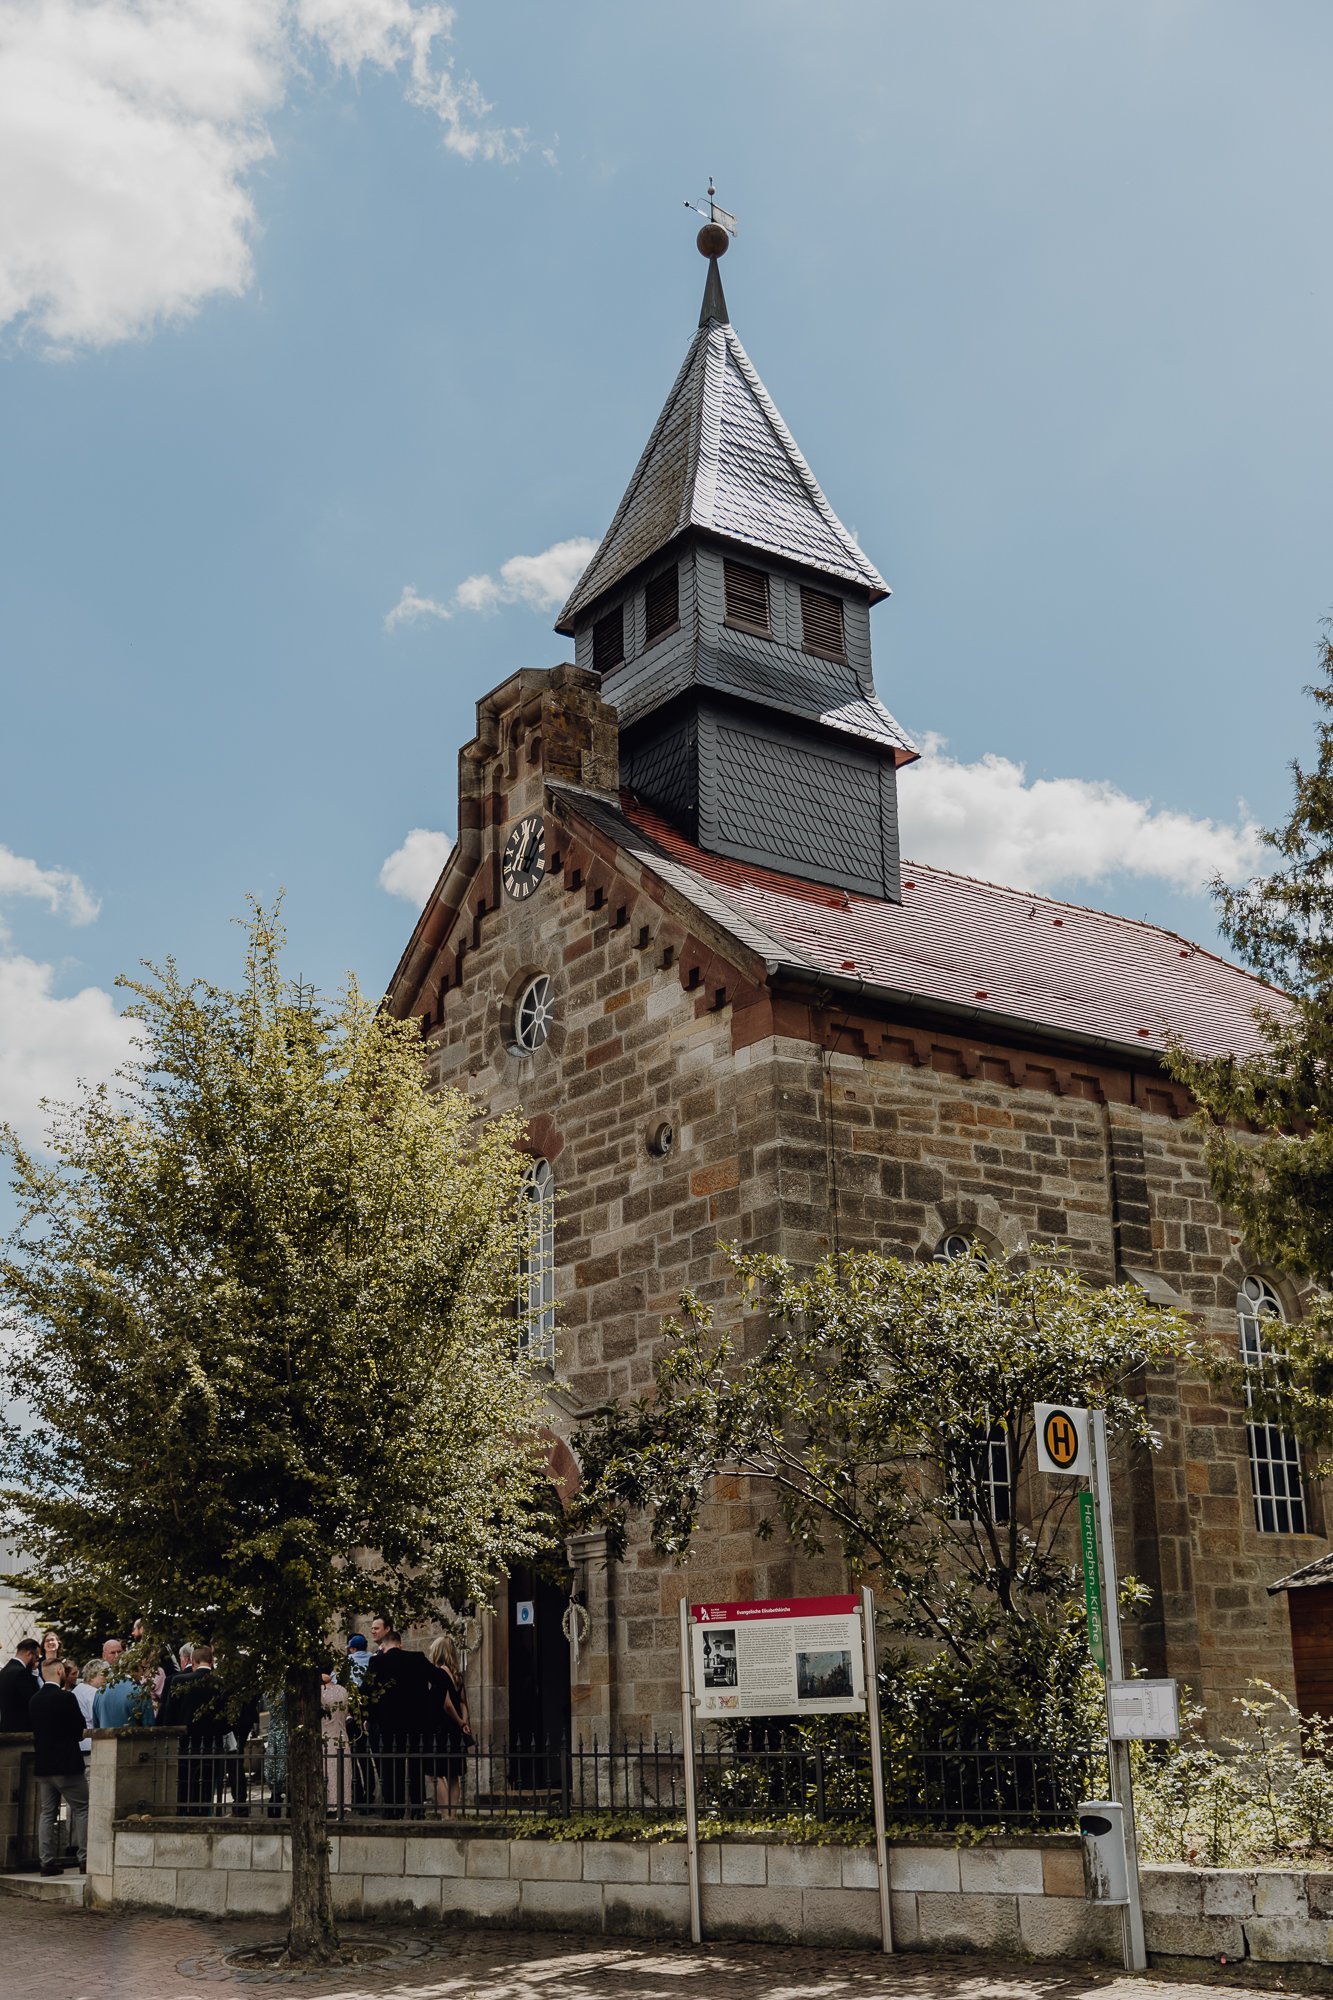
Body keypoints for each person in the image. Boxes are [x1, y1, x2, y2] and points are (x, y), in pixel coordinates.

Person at [362, 1630, 445, 1818]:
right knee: (416, 1766)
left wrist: (373, 1715)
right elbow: (442, 1680)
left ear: (383, 1646)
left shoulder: (378, 1661)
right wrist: (430, 1706)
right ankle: (417, 1810)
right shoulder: (417, 1658)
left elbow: (365, 1691)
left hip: (389, 1723)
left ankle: (394, 1810)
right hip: (417, 1721)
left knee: (392, 1767)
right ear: (400, 1643)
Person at [29, 1662, 88, 1875]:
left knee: (47, 1813)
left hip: (44, 1764)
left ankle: (46, 1862)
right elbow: (79, 1729)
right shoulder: (66, 1698)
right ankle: (85, 1858)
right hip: (67, 1764)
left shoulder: (34, 1700)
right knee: (82, 1809)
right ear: (60, 1672)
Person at [159, 1644, 228, 1814]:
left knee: (185, 1781)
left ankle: (185, 1811)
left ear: (193, 1661)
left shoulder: (179, 1681)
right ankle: (205, 1811)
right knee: (207, 1782)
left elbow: (169, 1715)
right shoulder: (221, 1683)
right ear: (211, 1661)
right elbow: (227, 1718)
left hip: (186, 1740)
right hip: (212, 1741)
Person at [427, 1634, 471, 1812]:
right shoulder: (457, 1674)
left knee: (435, 1774)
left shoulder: (439, 1673)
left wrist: (460, 1721)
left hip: (442, 1726)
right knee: (453, 1775)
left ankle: (446, 1813)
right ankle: (453, 1813)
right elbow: (463, 1702)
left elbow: (447, 1704)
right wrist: (464, 1722)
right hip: (455, 1729)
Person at [343, 1635, 375, 1812]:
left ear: (353, 1649)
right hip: (369, 1710)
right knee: (366, 1757)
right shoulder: (373, 1659)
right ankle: (370, 1793)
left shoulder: (348, 1662)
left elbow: (345, 1686)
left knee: (354, 1754)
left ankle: (358, 1794)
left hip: (353, 1711)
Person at [320, 1671, 351, 1811]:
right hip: (341, 1736)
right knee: (341, 1775)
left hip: (325, 1736)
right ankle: (341, 1805)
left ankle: (328, 1805)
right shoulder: (343, 1690)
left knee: (328, 1774)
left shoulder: (320, 1692)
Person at [0, 1638, 40, 1731]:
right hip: (22, 1729)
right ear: (29, 1654)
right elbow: (35, 1699)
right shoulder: (22, 1673)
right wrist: (34, 1674)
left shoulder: (4, 1671)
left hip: (6, 1727)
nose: (36, 1661)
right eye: (37, 1657)